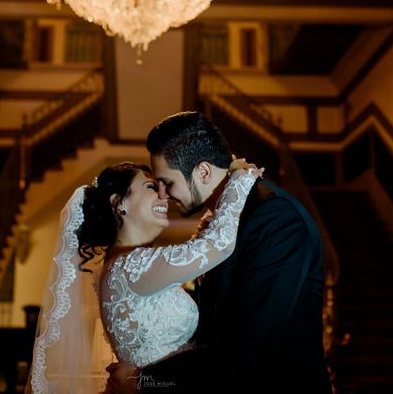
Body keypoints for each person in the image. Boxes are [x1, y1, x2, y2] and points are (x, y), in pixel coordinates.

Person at [106, 111, 332, 393]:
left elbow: (248, 352)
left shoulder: (275, 221)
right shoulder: (219, 224)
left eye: (168, 182)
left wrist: (144, 380)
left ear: (202, 172)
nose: (163, 194)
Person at [26, 158, 262, 393]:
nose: (164, 195)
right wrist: (240, 178)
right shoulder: (131, 267)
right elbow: (218, 244)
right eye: (151, 187)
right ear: (119, 203)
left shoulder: (123, 265)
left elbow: (199, 249)